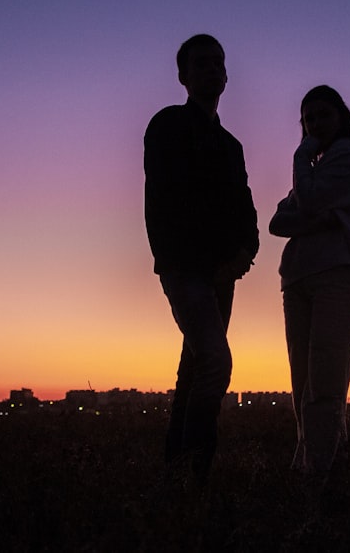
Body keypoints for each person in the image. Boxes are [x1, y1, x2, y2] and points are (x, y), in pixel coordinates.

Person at [143, 34, 259, 482]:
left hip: (221, 274)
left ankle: (176, 471)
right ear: (183, 76)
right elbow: (165, 202)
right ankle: (196, 468)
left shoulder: (232, 146)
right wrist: (181, 260)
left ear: (226, 74)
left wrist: (245, 254)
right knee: (215, 360)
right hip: (186, 269)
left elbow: (245, 207)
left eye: (219, 63)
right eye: (202, 64)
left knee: (194, 367)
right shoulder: (168, 125)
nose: (213, 70)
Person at [269, 85, 350, 485]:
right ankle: (314, 463)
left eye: (323, 115)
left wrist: (300, 161)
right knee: (303, 380)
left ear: (341, 117)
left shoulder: (348, 157)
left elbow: (304, 204)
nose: (315, 124)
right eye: (308, 118)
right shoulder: (313, 170)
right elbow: (279, 221)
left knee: (326, 376)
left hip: (337, 274)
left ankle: (320, 473)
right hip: (297, 279)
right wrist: (318, 216)